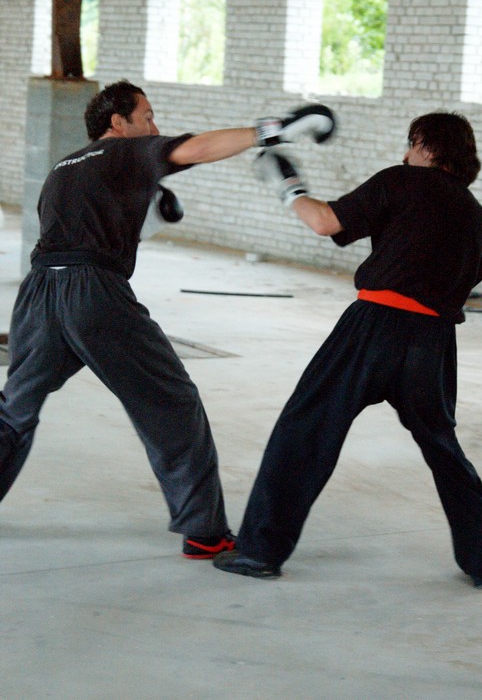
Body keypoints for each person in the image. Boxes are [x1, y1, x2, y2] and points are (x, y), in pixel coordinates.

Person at [0, 80, 335, 558]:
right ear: (118, 123)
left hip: (38, 295)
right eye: (147, 116)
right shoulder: (120, 152)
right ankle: (204, 531)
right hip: (93, 294)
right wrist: (271, 130)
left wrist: (148, 213)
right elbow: (194, 149)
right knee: (171, 402)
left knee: (15, 409)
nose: (155, 128)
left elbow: (80, 228)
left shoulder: (64, 167)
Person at [214, 111, 482, 588]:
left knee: (305, 429)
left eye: (411, 144)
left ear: (427, 145)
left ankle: (259, 552)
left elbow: (324, 221)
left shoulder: (402, 181)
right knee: (443, 447)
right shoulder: (477, 217)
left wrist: (289, 185)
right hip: (433, 343)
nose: (405, 154)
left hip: (374, 327)